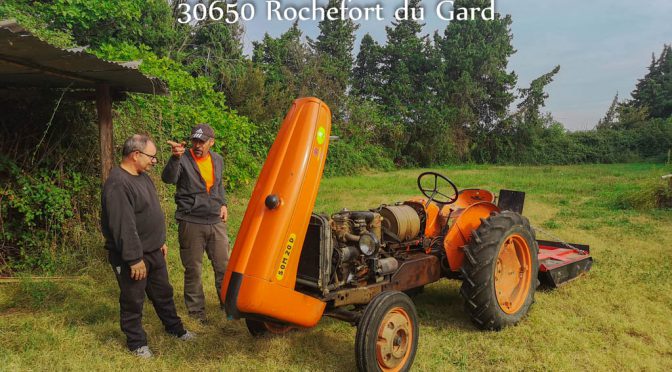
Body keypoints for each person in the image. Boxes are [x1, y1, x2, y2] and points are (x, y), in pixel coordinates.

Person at [101, 134, 194, 358]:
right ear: (135, 155)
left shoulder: (141, 176)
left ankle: (175, 329)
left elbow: (149, 212)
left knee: (163, 293)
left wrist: (159, 241)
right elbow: (123, 226)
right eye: (151, 157)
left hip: (153, 251)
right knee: (133, 299)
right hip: (133, 256)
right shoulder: (118, 184)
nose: (154, 161)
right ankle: (136, 343)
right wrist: (134, 259)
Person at [162, 124, 230, 323]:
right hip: (191, 221)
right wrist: (175, 158)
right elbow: (168, 178)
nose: (197, 145)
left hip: (216, 221)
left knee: (224, 266)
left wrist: (223, 203)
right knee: (193, 269)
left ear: (211, 142)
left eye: (202, 141)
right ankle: (196, 313)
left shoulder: (218, 160)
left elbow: (218, 184)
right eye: (195, 141)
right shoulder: (182, 159)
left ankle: (228, 306)